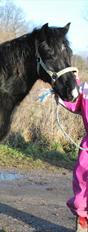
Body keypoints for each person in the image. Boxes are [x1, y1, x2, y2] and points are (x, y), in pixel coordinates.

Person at [56, 76, 88, 232]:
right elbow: (75, 103)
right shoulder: (86, 89)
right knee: (82, 182)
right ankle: (83, 221)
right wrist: (62, 92)